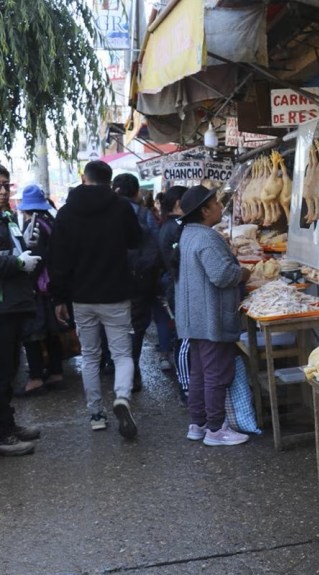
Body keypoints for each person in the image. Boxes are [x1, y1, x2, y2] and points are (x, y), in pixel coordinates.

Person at [49, 160, 141, 438]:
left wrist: (59, 298)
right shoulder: (121, 207)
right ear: (110, 180)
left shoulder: (66, 213)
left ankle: (96, 414)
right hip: (115, 294)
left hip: (81, 297)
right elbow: (136, 240)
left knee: (90, 356)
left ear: (84, 178)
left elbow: (58, 260)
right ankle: (122, 397)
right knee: (122, 353)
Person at [174, 185, 251, 446]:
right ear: (205, 211)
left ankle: (198, 423)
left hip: (193, 316)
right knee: (216, 373)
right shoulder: (206, 237)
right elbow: (222, 275)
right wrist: (243, 273)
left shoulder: (189, 233)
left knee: (200, 373)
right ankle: (216, 430)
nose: (220, 206)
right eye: (216, 203)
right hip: (210, 317)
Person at [0, 165, 42, 455]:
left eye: (5, 185)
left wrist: (24, 247)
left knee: (10, 370)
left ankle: (8, 424)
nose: (3, 191)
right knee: (2, 373)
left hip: (14, 305)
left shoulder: (7, 218)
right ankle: (3, 435)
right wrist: (16, 262)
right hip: (3, 307)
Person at [112, 173, 161, 391]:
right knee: (136, 327)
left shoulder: (106, 212)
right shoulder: (144, 213)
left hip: (111, 280)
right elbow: (155, 245)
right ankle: (131, 373)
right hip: (138, 280)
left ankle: (117, 367)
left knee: (114, 325)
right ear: (136, 191)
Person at [18, 184, 64, 395]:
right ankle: (56, 372)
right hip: (52, 286)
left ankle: (36, 377)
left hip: (39, 288)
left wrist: (28, 282)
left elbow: (36, 258)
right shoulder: (49, 221)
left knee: (32, 334)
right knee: (51, 333)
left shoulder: (33, 224)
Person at [157, 186, 189, 400]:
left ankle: (187, 387)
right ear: (178, 204)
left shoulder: (170, 226)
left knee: (184, 337)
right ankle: (186, 390)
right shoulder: (175, 228)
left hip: (174, 285)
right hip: (177, 287)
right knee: (185, 338)